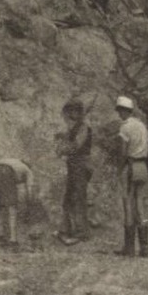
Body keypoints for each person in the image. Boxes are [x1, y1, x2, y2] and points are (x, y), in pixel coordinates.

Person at [113, 96, 148, 258]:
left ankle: (129, 248)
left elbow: (122, 153)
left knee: (128, 205)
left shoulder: (125, 128)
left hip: (131, 167)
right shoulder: (142, 125)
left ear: (123, 111)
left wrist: (119, 169)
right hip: (143, 166)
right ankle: (145, 248)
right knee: (140, 205)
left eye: (119, 111)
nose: (119, 114)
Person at [55, 99, 92, 245]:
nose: (71, 114)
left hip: (81, 164)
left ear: (79, 112)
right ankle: (67, 229)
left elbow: (77, 145)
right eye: (70, 111)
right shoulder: (75, 127)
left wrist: (62, 149)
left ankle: (81, 233)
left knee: (78, 198)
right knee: (69, 197)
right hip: (73, 165)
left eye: (74, 111)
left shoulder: (83, 127)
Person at [0, 158, 35, 246]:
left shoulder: (14, 162)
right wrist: (30, 204)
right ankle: (13, 239)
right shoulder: (27, 170)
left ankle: (0, 235)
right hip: (4, 172)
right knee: (12, 207)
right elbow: (29, 190)